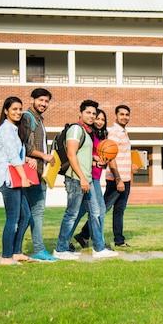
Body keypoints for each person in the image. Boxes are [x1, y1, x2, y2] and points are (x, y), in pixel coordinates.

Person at [53, 100, 117, 260]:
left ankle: (99, 248)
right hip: (76, 179)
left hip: (85, 179)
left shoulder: (87, 132)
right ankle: (60, 249)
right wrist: (82, 178)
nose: (92, 116)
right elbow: (71, 154)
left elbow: (84, 156)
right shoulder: (76, 129)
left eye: (94, 113)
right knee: (72, 214)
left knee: (96, 212)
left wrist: (97, 161)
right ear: (80, 113)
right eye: (88, 113)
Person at [79, 104, 138, 248]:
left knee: (119, 210)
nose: (124, 117)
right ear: (116, 116)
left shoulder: (124, 132)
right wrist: (118, 179)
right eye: (121, 114)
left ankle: (119, 240)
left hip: (125, 178)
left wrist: (130, 166)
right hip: (116, 179)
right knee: (102, 209)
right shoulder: (114, 133)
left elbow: (121, 155)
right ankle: (85, 234)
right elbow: (111, 158)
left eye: (127, 114)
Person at [0, 96, 37, 265]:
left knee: (25, 215)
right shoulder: (5, 129)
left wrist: (28, 160)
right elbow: (11, 156)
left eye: (20, 109)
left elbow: (16, 155)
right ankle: (6, 257)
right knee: (13, 218)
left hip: (15, 178)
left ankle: (17, 252)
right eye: (14, 109)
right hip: (7, 179)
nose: (18, 112)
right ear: (6, 111)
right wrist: (24, 177)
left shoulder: (13, 130)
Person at [70, 109, 116, 254]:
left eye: (103, 119)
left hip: (95, 176)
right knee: (94, 211)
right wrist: (96, 160)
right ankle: (98, 245)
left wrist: (104, 161)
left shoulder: (103, 137)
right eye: (97, 118)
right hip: (87, 177)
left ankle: (86, 239)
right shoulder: (89, 135)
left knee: (87, 211)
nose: (100, 121)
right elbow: (84, 156)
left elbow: (103, 160)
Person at [21, 88, 58, 262]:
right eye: (40, 100)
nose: (43, 104)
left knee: (29, 213)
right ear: (32, 100)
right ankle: (39, 250)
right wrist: (43, 156)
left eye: (46, 101)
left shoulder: (39, 120)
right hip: (31, 171)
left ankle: (15, 249)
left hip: (40, 172)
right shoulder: (27, 118)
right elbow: (22, 145)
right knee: (36, 212)